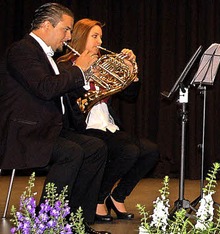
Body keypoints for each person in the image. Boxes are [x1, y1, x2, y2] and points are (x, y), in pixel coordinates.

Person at [0, 3, 110, 234]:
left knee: (96, 147)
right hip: (25, 133)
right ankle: (46, 222)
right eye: (66, 29)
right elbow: (45, 89)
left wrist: (88, 77)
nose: (69, 37)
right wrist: (78, 70)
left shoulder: (45, 54)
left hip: (47, 128)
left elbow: (59, 92)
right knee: (71, 152)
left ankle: (77, 221)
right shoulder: (23, 50)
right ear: (47, 25)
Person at [56, 18, 159, 223]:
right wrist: (83, 69)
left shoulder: (102, 61)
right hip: (83, 126)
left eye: (100, 37)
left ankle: (117, 196)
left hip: (106, 124)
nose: (99, 42)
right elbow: (69, 98)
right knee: (128, 151)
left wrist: (130, 70)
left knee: (150, 151)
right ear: (80, 37)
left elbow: (130, 96)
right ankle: (97, 197)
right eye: (94, 37)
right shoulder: (65, 65)